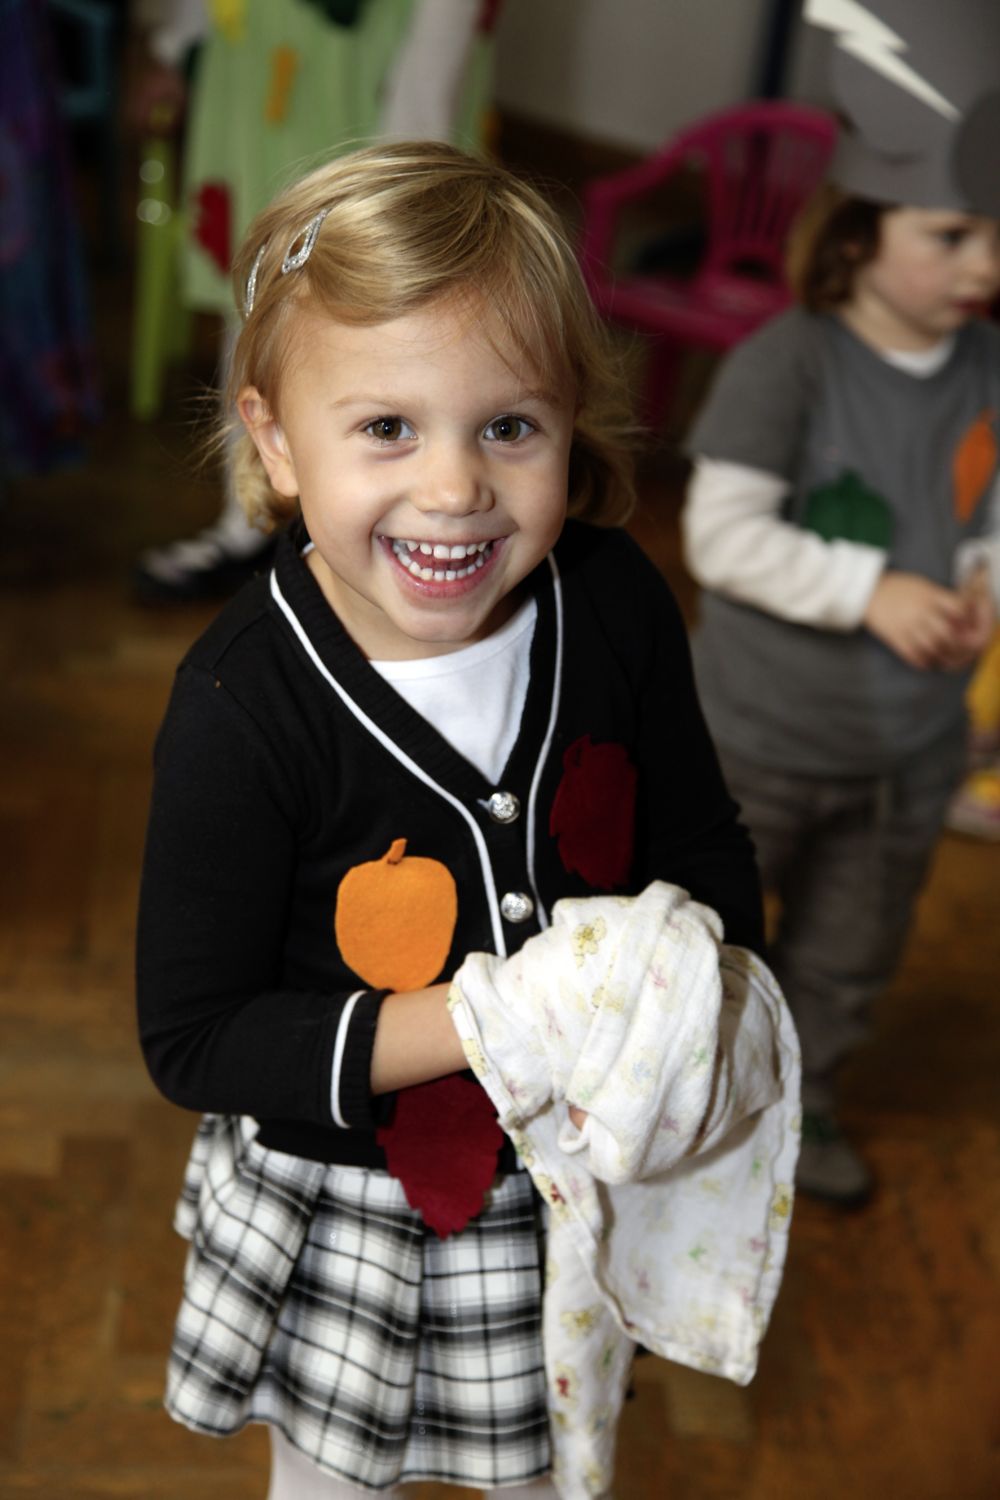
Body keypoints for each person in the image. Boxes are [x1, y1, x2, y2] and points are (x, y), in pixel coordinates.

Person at [135, 141, 790, 1499]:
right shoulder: (240, 703)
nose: (453, 489)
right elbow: (196, 1036)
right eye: (387, 426)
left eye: (509, 427)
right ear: (275, 438)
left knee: (550, 1476)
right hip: (348, 1205)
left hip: (565, 1188)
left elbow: (703, 850)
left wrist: (690, 993)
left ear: (571, 423)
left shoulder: (613, 605)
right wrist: (497, 1021)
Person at [681, 0, 1000, 1206]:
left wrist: (980, 584)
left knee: (850, 952)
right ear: (859, 232)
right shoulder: (788, 363)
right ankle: (679, 1105)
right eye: (952, 235)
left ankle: (801, 1105)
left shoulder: (987, 373)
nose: (984, 265)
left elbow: (987, 520)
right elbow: (720, 537)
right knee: (706, 944)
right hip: (755, 743)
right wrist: (872, 590)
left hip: (905, 758)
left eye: (997, 236)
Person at [128, 0, 500, 601]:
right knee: (256, 305)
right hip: (259, 83)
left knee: (376, 331)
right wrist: (177, 45)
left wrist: (408, 169)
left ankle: (383, 533)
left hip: (363, 100)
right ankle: (253, 519)